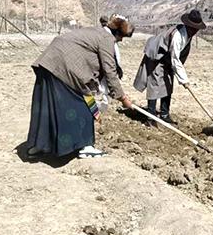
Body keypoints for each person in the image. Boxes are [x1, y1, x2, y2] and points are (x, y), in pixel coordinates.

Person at [26, 15, 135, 159]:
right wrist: (123, 98)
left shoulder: (96, 32)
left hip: (48, 62)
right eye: (122, 37)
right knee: (81, 105)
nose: (121, 40)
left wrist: (97, 109)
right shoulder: (106, 38)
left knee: (48, 107)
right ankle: (86, 146)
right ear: (117, 33)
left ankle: (40, 145)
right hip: (64, 66)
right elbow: (110, 71)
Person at [133, 9, 206, 126]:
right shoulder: (178, 36)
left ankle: (164, 114)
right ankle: (150, 118)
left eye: (197, 29)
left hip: (167, 59)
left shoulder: (189, 34)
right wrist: (184, 80)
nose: (195, 31)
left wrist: (178, 74)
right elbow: (175, 59)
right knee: (155, 84)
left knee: (168, 84)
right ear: (188, 26)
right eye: (194, 28)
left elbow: (178, 57)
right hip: (156, 56)